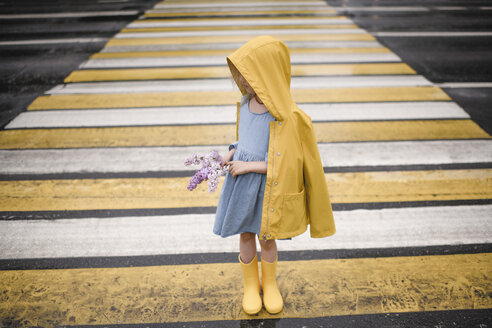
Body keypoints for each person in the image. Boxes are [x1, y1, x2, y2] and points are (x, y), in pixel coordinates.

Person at [213, 35, 336, 315]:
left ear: (266, 74)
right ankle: (249, 287)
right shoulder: (244, 105)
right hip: (242, 185)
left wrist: (248, 167)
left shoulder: (283, 115)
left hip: (269, 186)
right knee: (245, 234)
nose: (243, 82)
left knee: (267, 237)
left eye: (249, 76)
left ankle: (270, 285)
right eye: (241, 77)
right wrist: (230, 155)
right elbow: (244, 143)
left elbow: (285, 162)